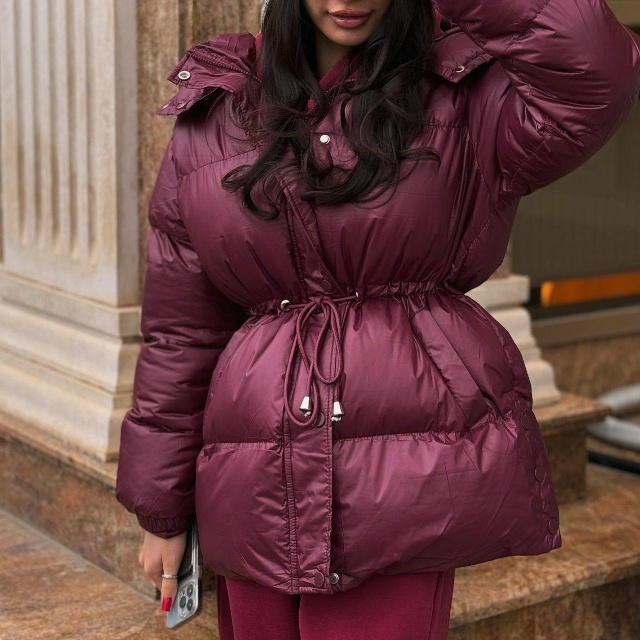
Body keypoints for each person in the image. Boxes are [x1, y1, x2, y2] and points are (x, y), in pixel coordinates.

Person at [116, 0, 640, 638]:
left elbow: (596, 69)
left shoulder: (466, 94)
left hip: (406, 470)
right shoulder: (217, 110)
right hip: (253, 470)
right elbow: (182, 333)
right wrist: (162, 508)